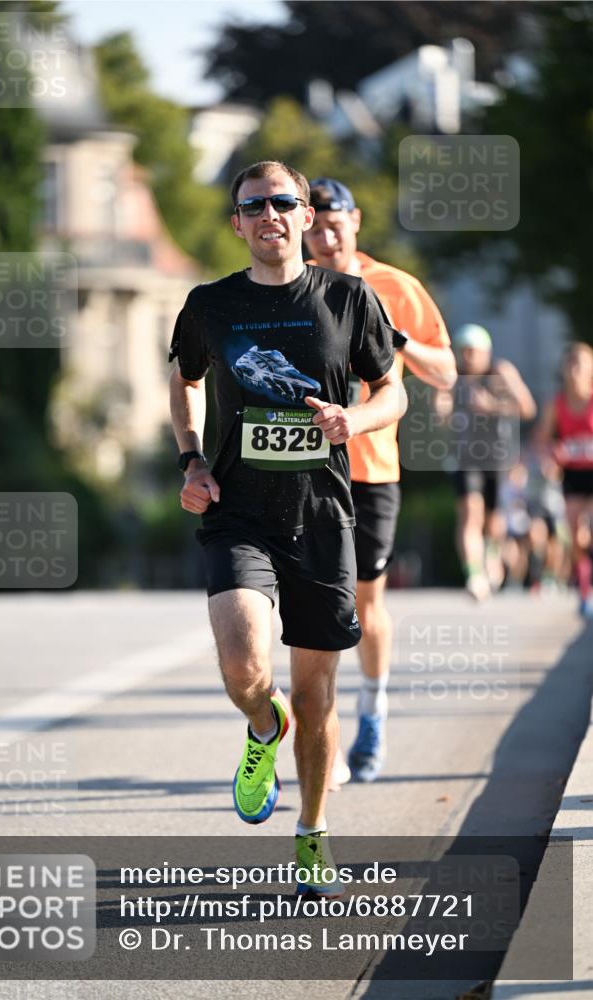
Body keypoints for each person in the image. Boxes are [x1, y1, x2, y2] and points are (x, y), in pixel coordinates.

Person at [168, 161, 407, 895]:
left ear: (306, 216)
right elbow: (184, 378)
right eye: (253, 205)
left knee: (317, 697)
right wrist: (191, 460)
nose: (269, 214)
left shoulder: (348, 297)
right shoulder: (210, 304)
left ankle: (311, 834)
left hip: (323, 516)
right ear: (237, 223)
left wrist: (353, 420)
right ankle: (261, 725)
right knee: (244, 667)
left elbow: (390, 391)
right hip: (238, 512)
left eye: (282, 202)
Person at [303, 178, 456, 785]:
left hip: (373, 469)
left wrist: (400, 341)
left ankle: (374, 708)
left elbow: (445, 373)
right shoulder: (290, 288)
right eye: (314, 221)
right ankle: (327, 741)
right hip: (308, 471)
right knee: (317, 609)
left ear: (356, 220)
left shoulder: (394, 285)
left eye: (335, 218)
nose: (325, 231)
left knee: (366, 603)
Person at [443, 324, 537, 601]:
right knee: (470, 513)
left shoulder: (501, 372)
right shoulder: (454, 377)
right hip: (465, 457)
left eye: (474, 351)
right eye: (464, 352)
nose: (469, 357)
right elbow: (441, 410)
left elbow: (528, 408)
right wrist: (441, 410)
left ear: (486, 351)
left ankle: (491, 555)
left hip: (497, 457)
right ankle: (474, 575)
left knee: (494, 521)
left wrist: (492, 406)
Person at [535, 342, 593, 617]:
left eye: (580, 364)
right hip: (572, 475)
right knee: (576, 537)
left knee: (589, 528)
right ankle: (585, 591)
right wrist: (550, 459)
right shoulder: (555, 404)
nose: (574, 369)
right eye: (570, 363)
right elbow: (543, 441)